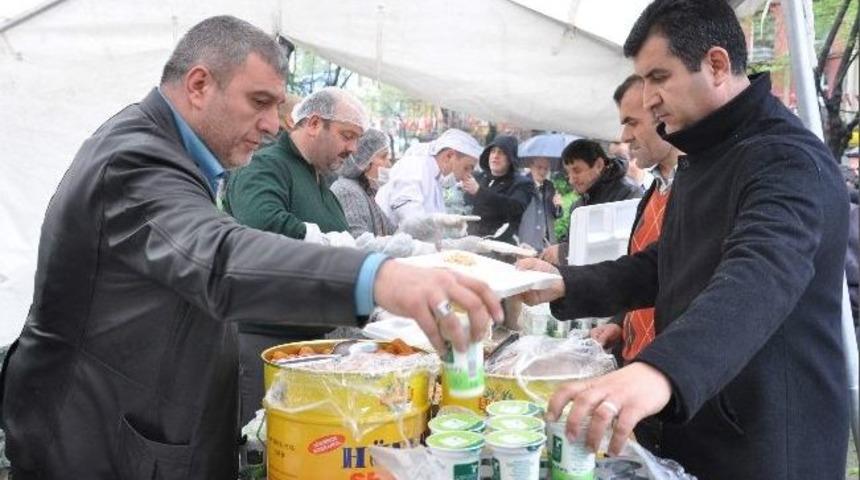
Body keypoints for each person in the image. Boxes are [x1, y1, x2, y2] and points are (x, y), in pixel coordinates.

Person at [0, 16, 503, 480]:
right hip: (95, 441)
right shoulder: (135, 159)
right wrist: (380, 277)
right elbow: (218, 258)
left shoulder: (177, 153)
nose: (271, 123)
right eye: (259, 102)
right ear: (199, 85)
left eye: (277, 107)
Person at [518, 1, 849, 478]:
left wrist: (661, 370)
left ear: (715, 64)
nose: (648, 99)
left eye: (658, 77)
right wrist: (566, 283)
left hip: (765, 441)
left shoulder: (787, 161)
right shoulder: (706, 153)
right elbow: (664, 263)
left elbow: (761, 276)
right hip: (701, 421)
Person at [590, 74, 680, 363]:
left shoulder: (702, 196)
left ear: (664, 115)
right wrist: (619, 322)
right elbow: (642, 276)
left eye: (632, 122)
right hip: (633, 363)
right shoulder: (652, 192)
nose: (625, 137)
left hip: (664, 377)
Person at [223, 87, 364, 244]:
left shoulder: (321, 185)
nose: (353, 148)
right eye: (347, 136)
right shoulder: (264, 165)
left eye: (357, 139)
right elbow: (260, 223)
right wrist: (324, 243)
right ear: (314, 124)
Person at [541, 139, 642, 264]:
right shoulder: (579, 204)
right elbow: (571, 243)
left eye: (577, 171)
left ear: (599, 165)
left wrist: (563, 252)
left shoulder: (630, 194)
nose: (571, 180)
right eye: (568, 173)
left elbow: (622, 248)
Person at [375, 128, 482, 226]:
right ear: (449, 156)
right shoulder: (414, 168)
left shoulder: (434, 177)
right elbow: (412, 220)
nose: (466, 176)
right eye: (466, 168)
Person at [462, 135, 533, 244]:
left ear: (510, 158)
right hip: (470, 241)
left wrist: (479, 192)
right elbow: (465, 207)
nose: (495, 156)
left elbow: (515, 208)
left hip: (499, 246)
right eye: (493, 151)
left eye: (501, 152)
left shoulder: (522, 183)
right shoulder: (478, 177)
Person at [331, 128, 396, 237]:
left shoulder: (366, 190)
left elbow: (391, 231)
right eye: (383, 157)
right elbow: (360, 241)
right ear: (364, 160)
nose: (388, 164)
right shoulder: (347, 191)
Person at [517, 156, 563, 252]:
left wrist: (558, 206)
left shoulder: (550, 186)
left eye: (546, 168)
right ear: (531, 166)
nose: (543, 171)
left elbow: (555, 215)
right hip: (526, 243)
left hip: (546, 244)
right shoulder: (520, 184)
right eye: (539, 167)